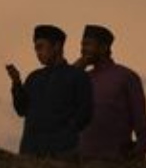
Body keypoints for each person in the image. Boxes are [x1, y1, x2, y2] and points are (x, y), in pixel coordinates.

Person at [6, 24, 92, 158]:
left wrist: (66, 134)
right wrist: (16, 83)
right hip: (31, 152)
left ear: (57, 46)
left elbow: (85, 113)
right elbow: (21, 110)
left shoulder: (77, 76)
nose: (38, 53)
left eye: (41, 47)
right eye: (36, 49)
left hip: (63, 155)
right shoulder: (34, 77)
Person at [74, 24, 146, 160]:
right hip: (81, 163)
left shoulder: (126, 77)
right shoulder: (81, 78)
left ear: (104, 47)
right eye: (82, 45)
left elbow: (141, 123)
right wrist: (73, 73)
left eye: (88, 45)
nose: (83, 50)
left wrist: (138, 152)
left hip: (114, 163)